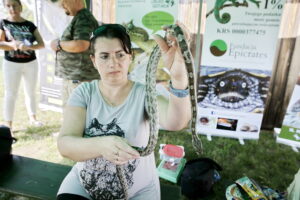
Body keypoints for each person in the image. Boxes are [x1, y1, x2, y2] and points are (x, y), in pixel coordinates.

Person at [56, 23, 192, 200]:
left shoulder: (144, 94)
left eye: (120, 55)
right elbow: (65, 145)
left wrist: (179, 77)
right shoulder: (84, 93)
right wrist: (102, 145)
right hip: (83, 186)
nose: (113, 63)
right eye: (104, 56)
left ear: (130, 57)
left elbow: (176, 122)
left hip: (138, 192)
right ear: (93, 60)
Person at [0, 0, 45, 131]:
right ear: (5, 7)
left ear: (20, 6)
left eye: (14, 5)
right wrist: (11, 44)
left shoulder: (29, 24)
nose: (12, 8)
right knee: (10, 93)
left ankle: (33, 118)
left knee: (30, 91)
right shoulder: (3, 23)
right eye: (8, 6)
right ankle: (8, 124)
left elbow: (41, 44)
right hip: (11, 63)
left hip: (31, 63)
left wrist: (29, 47)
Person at [50, 0, 99, 108]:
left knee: (76, 116)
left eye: (64, 2)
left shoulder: (84, 18)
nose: (61, 6)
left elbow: (81, 44)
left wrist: (59, 44)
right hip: (75, 78)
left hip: (79, 79)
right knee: (71, 115)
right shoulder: (80, 18)